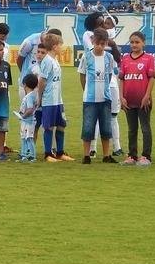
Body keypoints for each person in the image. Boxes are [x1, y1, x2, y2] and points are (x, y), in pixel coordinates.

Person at [78, 29, 119, 165]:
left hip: (105, 99)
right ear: (93, 42)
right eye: (97, 43)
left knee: (106, 128)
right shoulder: (86, 56)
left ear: (106, 43)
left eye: (102, 44)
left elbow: (109, 74)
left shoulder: (109, 57)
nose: (100, 46)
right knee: (88, 127)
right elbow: (82, 76)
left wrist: (105, 89)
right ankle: (86, 155)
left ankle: (106, 155)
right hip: (90, 99)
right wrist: (86, 91)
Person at [120, 31, 155, 163]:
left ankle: (146, 156)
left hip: (143, 101)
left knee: (145, 128)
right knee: (131, 129)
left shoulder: (149, 59)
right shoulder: (125, 59)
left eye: (137, 42)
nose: (134, 45)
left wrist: (147, 96)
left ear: (143, 43)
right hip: (128, 100)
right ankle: (132, 155)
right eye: (132, 42)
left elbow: (152, 78)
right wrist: (121, 97)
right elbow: (122, 79)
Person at [36, 33, 72, 162]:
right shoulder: (47, 60)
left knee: (61, 125)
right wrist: (40, 97)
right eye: (60, 45)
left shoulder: (55, 60)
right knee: (49, 126)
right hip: (49, 99)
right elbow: (42, 81)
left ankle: (60, 152)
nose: (62, 48)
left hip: (58, 99)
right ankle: (47, 154)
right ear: (55, 46)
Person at [18, 74, 40, 162]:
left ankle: (32, 155)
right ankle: (24, 155)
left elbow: (30, 109)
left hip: (28, 121)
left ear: (25, 84)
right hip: (26, 121)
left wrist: (23, 115)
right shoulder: (32, 95)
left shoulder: (30, 96)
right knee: (24, 137)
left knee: (29, 138)